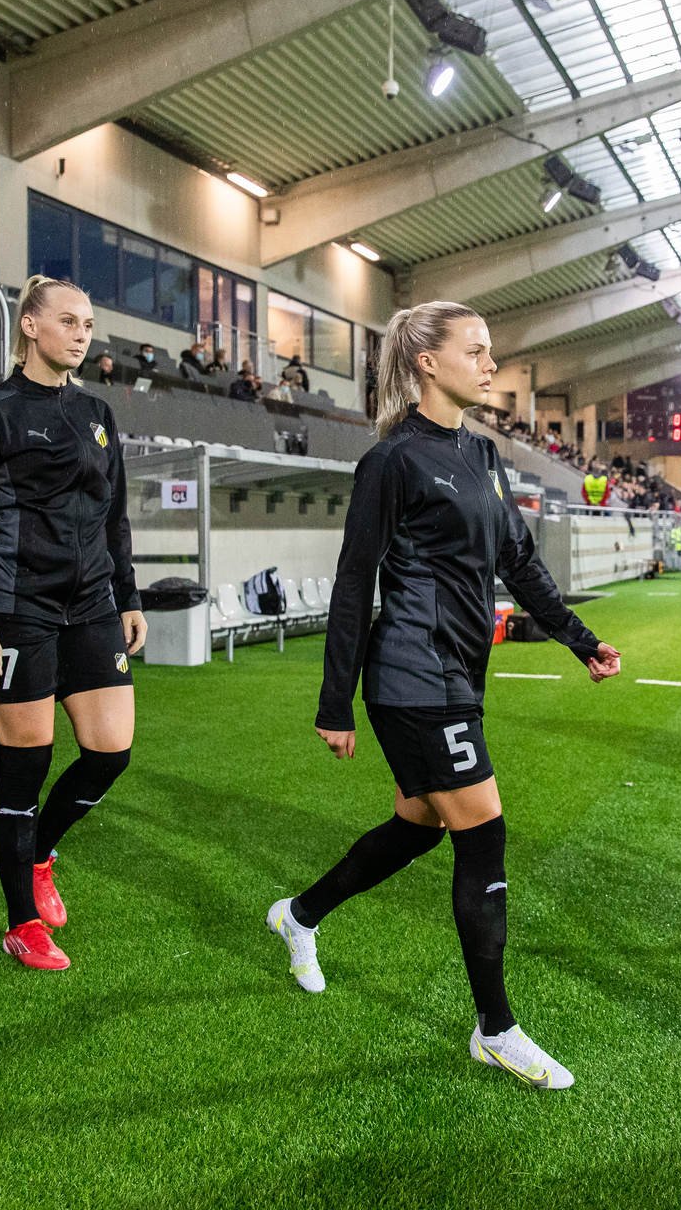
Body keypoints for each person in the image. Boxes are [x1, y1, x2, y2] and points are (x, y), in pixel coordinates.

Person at [267, 300, 623, 1089]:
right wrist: (335, 703)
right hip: (411, 673)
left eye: (491, 350)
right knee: (483, 831)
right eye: (477, 350)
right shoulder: (391, 462)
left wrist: (580, 639)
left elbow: (519, 563)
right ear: (427, 361)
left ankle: (299, 915)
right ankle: (496, 1028)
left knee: (421, 825)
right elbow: (355, 580)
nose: (491, 363)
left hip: (459, 670)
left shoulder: (484, 455)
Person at [0, 275, 147, 972]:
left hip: (91, 604)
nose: (82, 331)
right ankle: (21, 923)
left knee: (110, 751)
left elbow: (114, 515)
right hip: (16, 610)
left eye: (88, 322)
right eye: (68, 320)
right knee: (23, 771)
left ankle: (41, 851)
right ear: (30, 327)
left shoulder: (96, 410)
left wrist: (129, 597)